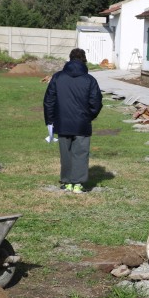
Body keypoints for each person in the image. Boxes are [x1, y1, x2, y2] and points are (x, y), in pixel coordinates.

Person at [43, 48, 103, 194]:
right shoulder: (90, 80)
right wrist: (89, 116)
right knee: (80, 153)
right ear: (84, 60)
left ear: (69, 59)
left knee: (66, 153)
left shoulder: (57, 77)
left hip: (62, 122)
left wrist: (50, 121)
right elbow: (96, 102)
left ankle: (67, 182)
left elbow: (49, 101)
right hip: (82, 123)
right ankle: (78, 184)